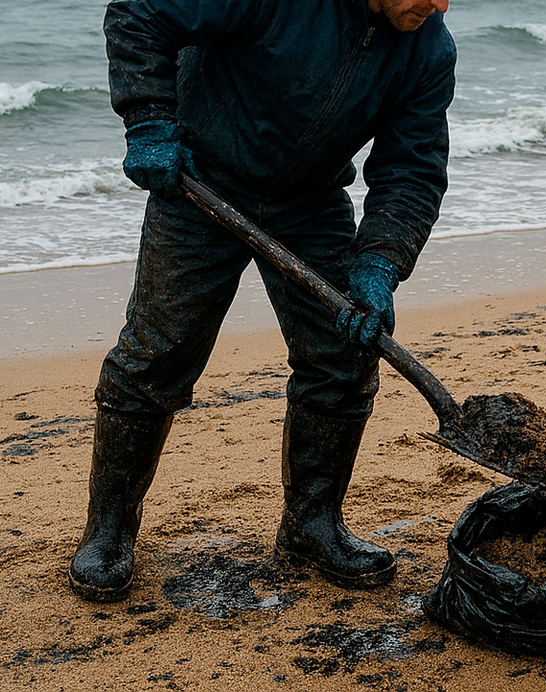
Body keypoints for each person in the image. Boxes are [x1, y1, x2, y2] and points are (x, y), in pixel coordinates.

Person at [69, 0, 455, 602]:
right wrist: (147, 119)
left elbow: (411, 167)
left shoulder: (428, 47)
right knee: (157, 356)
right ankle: (109, 530)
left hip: (311, 203)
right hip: (201, 181)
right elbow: (140, 11)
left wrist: (380, 262)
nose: (437, 5)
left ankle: (311, 526)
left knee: (344, 358)